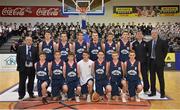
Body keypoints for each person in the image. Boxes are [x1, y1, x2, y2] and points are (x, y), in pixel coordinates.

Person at [147, 29, 168, 98]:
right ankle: (153, 92)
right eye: (152, 33)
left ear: (157, 34)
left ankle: (162, 93)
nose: (153, 34)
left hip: (159, 63)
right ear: (151, 35)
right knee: (152, 78)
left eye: (155, 33)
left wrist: (160, 59)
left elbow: (165, 52)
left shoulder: (163, 42)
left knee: (161, 78)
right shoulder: (149, 43)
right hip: (151, 62)